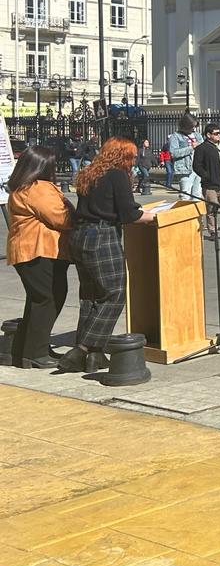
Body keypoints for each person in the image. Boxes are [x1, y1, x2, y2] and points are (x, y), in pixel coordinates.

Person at [62, 137, 157, 372]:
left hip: (80, 236)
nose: (134, 161)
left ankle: (93, 356)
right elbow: (129, 214)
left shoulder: (89, 172)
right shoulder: (116, 175)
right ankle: (82, 348)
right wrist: (156, 216)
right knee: (114, 293)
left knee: (91, 295)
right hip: (102, 237)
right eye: (131, 156)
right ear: (122, 156)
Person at [5, 146, 73, 368]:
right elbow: (61, 218)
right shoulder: (38, 188)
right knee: (48, 299)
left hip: (28, 251)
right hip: (39, 250)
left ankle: (30, 349)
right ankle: (36, 353)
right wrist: (73, 210)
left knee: (39, 299)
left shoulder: (21, 186)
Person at [167, 113, 204, 198]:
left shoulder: (197, 135)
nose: (193, 128)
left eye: (195, 126)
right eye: (192, 126)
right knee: (185, 194)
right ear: (185, 125)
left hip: (198, 168)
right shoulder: (175, 136)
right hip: (185, 169)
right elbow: (173, 153)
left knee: (197, 194)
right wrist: (191, 148)